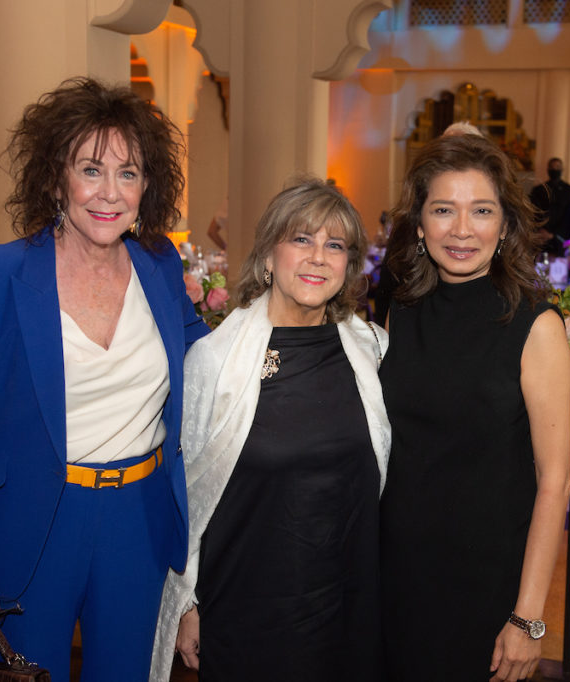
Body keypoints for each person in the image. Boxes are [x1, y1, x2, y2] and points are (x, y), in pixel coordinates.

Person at [0, 77, 209, 682]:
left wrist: (289, 326)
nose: (110, 193)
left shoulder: (161, 264)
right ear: (56, 176)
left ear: (149, 184)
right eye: (91, 169)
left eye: (129, 173)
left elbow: (209, 358)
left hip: (138, 521)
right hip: (34, 523)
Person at [150, 177, 390, 682]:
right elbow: (187, 494)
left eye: (335, 245)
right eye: (301, 239)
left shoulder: (370, 350)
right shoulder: (215, 362)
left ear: (348, 265)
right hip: (247, 607)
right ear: (267, 255)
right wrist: (187, 603)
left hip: (349, 602)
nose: (317, 257)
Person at [379, 133, 570, 681]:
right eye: (443, 210)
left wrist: (527, 618)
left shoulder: (537, 326)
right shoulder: (403, 311)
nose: (462, 230)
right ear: (419, 224)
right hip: (395, 576)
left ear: (505, 225)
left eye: (481, 210)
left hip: (484, 590)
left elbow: (555, 482)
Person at [529, 157, 570, 253]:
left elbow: (569, 215)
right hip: (541, 236)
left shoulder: (569, 190)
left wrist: (554, 234)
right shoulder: (539, 189)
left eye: (558, 167)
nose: (555, 170)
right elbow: (533, 212)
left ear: (562, 169)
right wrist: (541, 229)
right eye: (552, 167)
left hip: (561, 237)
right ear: (548, 169)